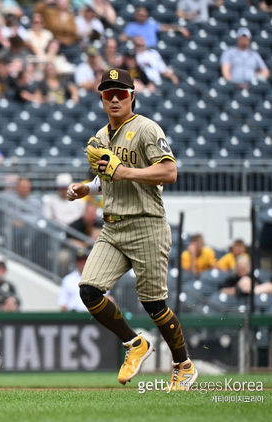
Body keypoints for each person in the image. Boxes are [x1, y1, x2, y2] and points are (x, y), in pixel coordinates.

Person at [66, 68, 196, 389]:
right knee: (89, 290)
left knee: (153, 303)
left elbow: (169, 172)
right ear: (101, 98)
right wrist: (87, 188)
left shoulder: (146, 129)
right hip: (112, 227)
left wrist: (123, 172)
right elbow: (108, 175)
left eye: (120, 93)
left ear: (132, 96)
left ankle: (183, 364)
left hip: (146, 224)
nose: (114, 98)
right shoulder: (99, 137)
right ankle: (134, 344)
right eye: (107, 93)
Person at [121, 6, 190, 48]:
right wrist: (134, 38)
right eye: (141, 15)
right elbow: (122, 38)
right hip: (140, 50)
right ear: (136, 16)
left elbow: (165, 27)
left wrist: (180, 29)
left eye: (145, 15)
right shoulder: (131, 26)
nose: (143, 17)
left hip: (153, 49)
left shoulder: (151, 24)